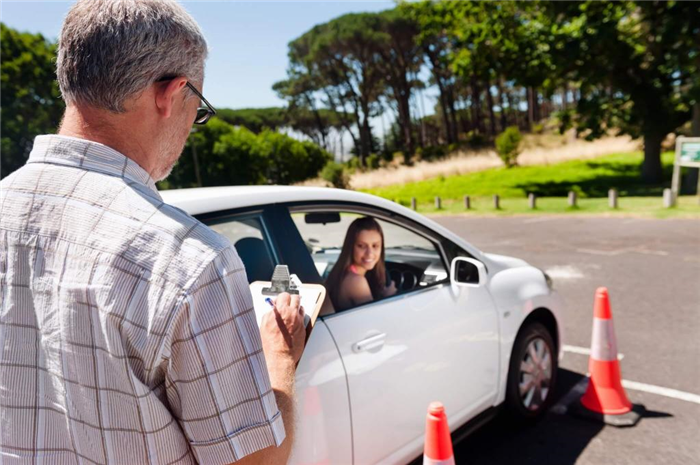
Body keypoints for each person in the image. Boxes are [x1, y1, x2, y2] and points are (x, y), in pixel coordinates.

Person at [0, 1, 304, 464]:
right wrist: (280, 357)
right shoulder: (189, 260)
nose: (191, 125)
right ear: (171, 93)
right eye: (197, 108)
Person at [325, 217, 397, 311]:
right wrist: (389, 296)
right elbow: (374, 319)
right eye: (362, 246)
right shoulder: (357, 282)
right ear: (351, 247)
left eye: (375, 246)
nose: (370, 253)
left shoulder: (343, 272)